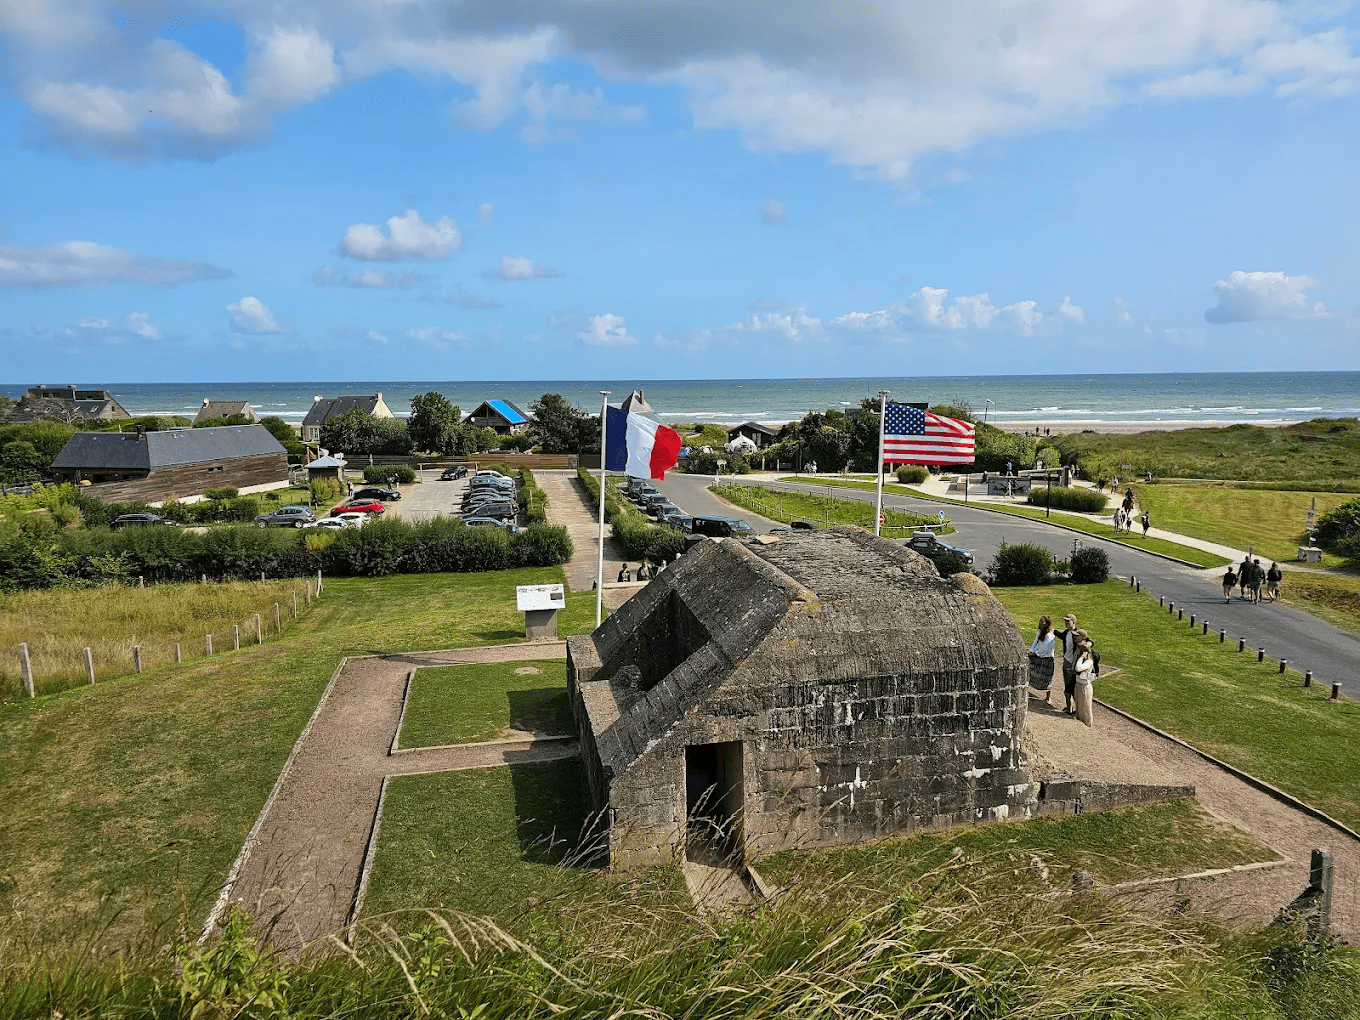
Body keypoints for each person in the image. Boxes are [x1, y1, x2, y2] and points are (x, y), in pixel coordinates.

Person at [1054, 614, 1082, 715]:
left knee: (1072, 688)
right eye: (1065, 621)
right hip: (1066, 661)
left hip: (1073, 664)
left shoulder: (1077, 634)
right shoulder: (1067, 632)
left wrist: (1088, 644)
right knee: (1066, 685)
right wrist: (1053, 631)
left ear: (1074, 622)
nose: (1065, 623)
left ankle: (1079, 710)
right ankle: (1069, 708)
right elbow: (1062, 636)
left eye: (1068, 621)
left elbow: (1088, 642)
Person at [1028, 615, 1057, 705]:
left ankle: (1048, 697)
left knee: (1047, 678)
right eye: (1040, 622)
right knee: (1030, 672)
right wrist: (1031, 651)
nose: (1041, 623)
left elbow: (1044, 650)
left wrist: (1034, 653)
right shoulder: (1039, 632)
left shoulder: (1049, 636)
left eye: (1043, 622)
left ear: (1047, 624)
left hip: (1047, 658)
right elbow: (1035, 643)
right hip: (1038, 655)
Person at [1073, 638, 1096, 727]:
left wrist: (1081, 658)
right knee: (1079, 707)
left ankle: (1088, 725)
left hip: (1085, 686)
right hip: (1078, 684)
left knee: (1086, 708)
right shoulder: (1081, 660)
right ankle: (1080, 724)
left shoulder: (1089, 661)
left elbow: (1078, 668)